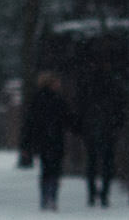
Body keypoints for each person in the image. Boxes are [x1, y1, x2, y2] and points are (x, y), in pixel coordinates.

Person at [24, 73, 71, 210]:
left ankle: (45, 197)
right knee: (55, 170)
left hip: (43, 140)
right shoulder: (58, 100)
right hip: (56, 139)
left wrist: (27, 143)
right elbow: (68, 118)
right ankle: (52, 197)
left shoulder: (36, 100)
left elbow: (30, 123)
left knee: (45, 169)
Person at [82, 80, 123, 208]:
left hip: (93, 132)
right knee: (106, 164)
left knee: (92, 163)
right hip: (107, 132)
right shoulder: (113, 90)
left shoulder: (88, 90)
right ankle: (104, 194)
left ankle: (92, 194)